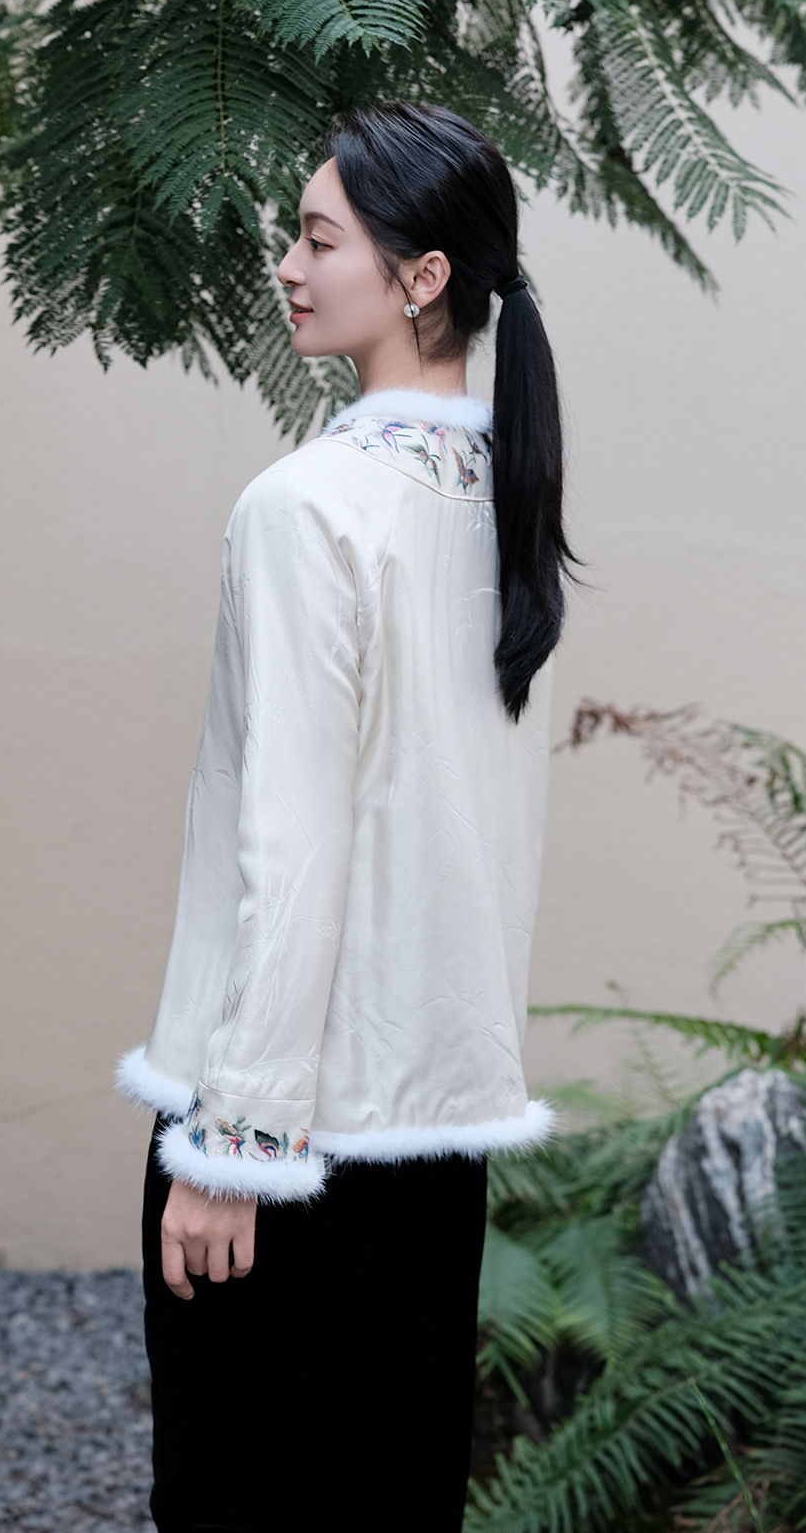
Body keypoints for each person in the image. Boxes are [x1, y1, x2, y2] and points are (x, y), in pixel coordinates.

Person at [116, 100, 574, 1533]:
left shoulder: (306, 507)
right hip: (437, 1127)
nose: (289, 266)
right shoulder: (509, 508)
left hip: (292, 1134)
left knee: (237, 1502)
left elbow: (293, 845)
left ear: (423, 276)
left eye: (320, 239)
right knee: (393, 1496)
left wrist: (234, 1150)